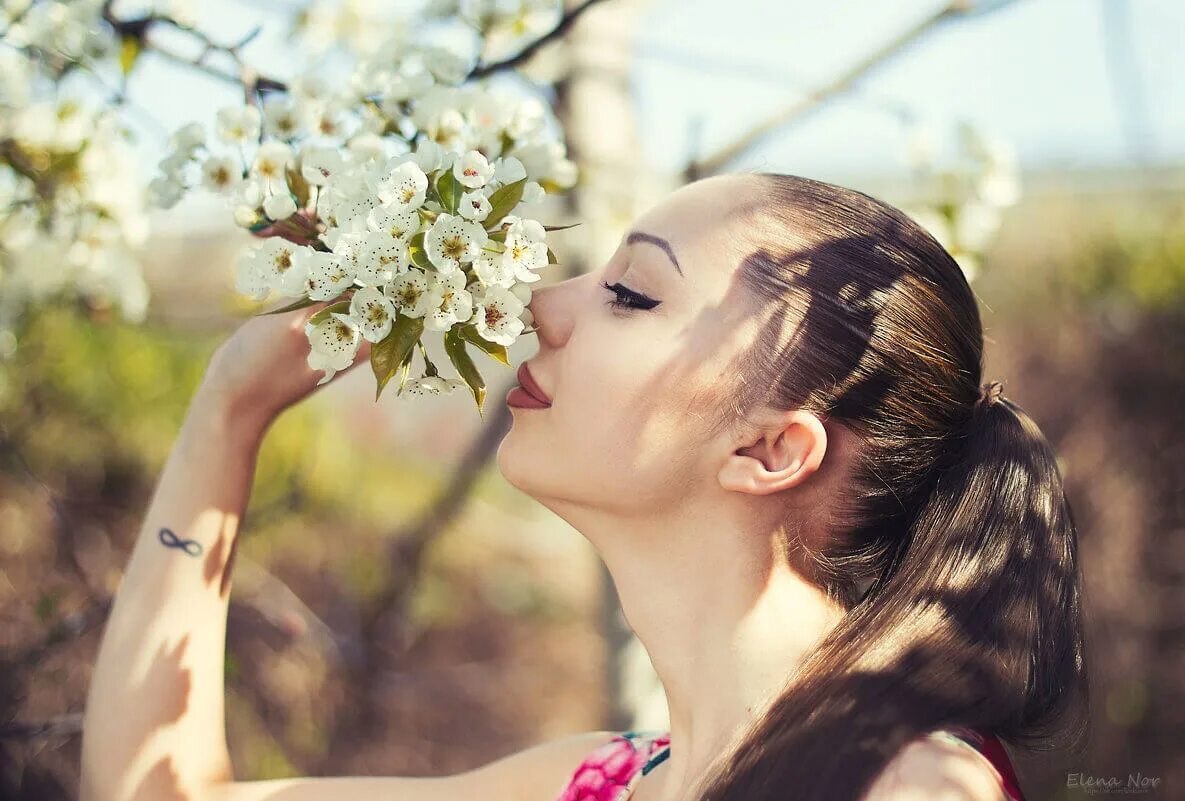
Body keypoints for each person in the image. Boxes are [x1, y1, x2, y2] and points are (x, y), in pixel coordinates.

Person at [80, 172, 1088, 801]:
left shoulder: (905, 787)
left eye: (629, 294)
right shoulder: (602, 781)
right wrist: (232, 409)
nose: (539, 308)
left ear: (770, 452)